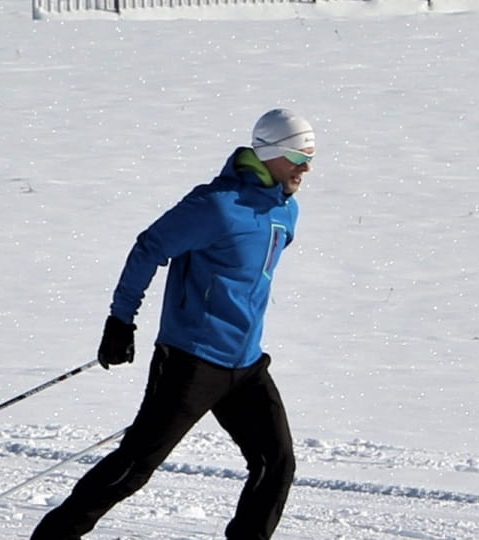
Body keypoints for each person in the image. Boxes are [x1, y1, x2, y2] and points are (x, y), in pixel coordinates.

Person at [30, 108, 316, 540]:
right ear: (271, 154)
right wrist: (120, 321)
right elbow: (149, 247)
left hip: (246, 363)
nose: (306, 168)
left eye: (310, 157)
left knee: (276, 463)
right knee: (134, 466)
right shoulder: (217, 206)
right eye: (298, 157)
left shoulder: (284, 211)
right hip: (192, 361)